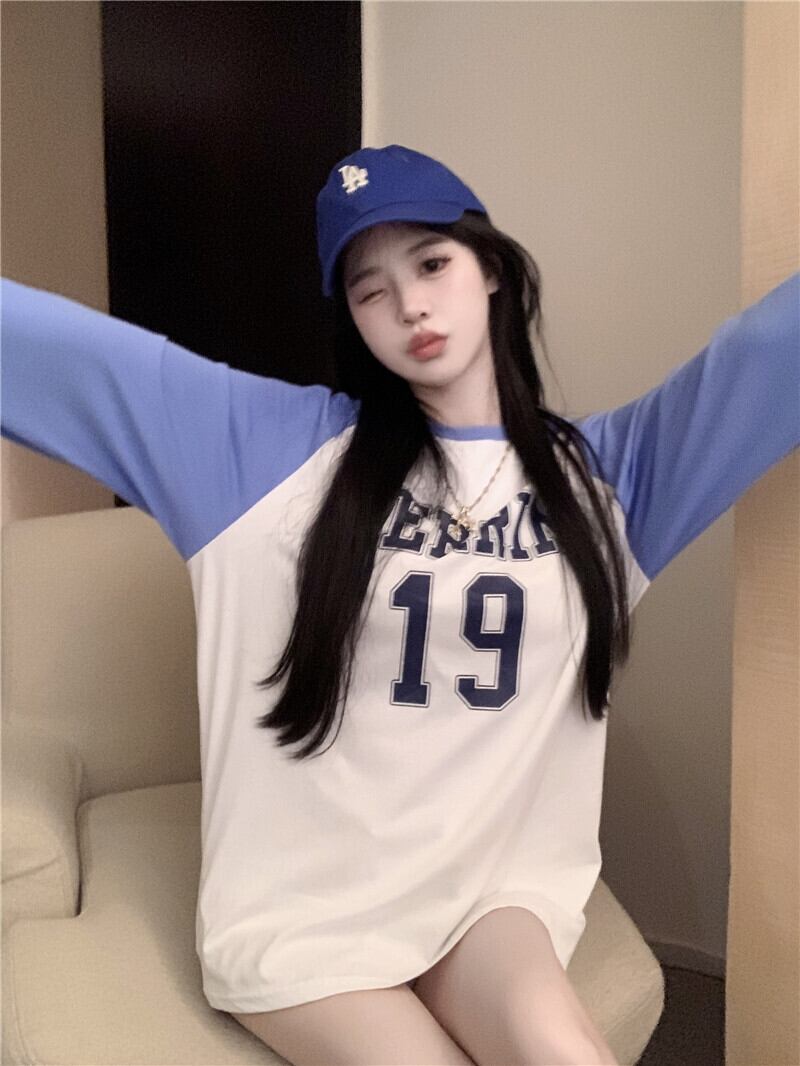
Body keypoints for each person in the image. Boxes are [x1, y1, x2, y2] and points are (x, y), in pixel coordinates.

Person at [1, 142, 797, 1066]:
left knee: (564, 1051)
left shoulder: (610, 479)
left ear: (489, 267)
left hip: (488, 892)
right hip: (307, 912)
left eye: (431, 263)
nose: (410, 306)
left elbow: (761, 360)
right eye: (370, 289)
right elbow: (55, 353)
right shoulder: (260, 453)